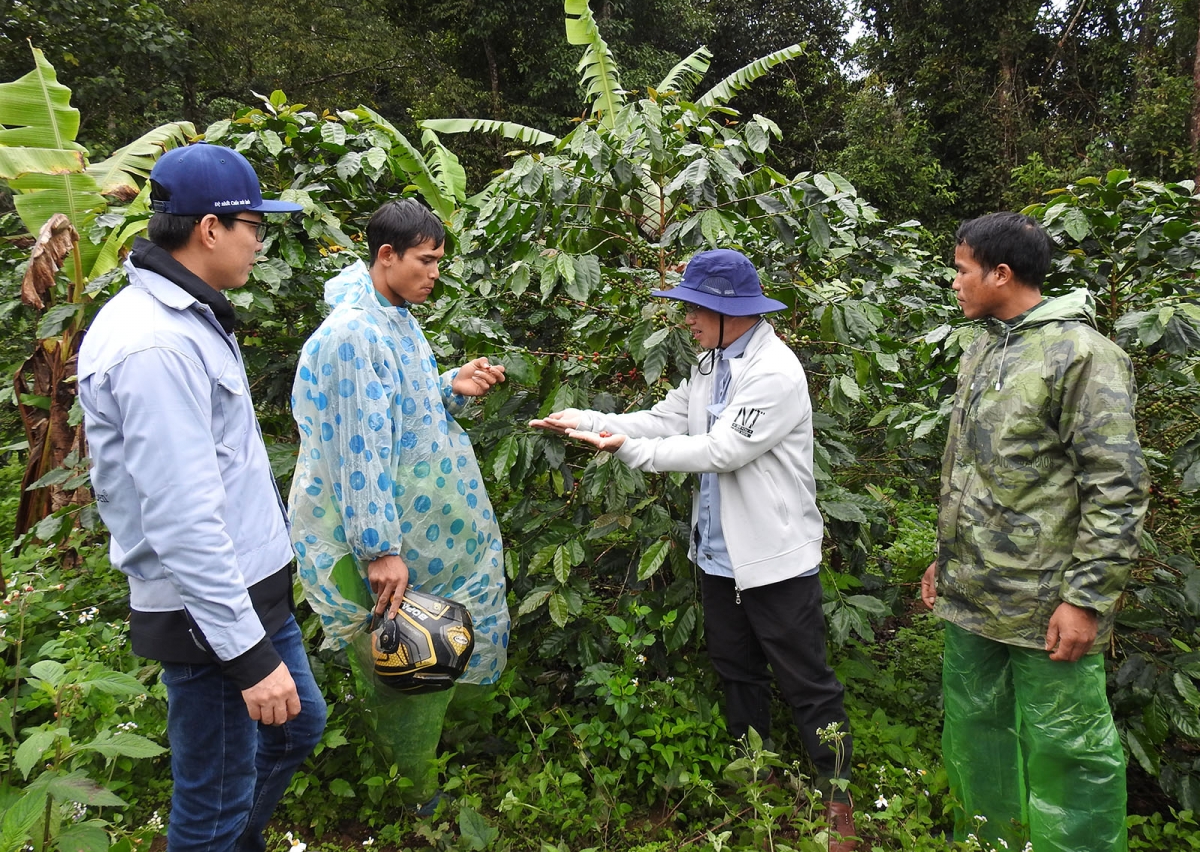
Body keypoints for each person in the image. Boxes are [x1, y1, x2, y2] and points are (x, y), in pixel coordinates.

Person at [530, 248, 857, 852]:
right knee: (736, 668)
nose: (687, 320)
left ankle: (837, 791)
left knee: (805, 676)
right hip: (718, 551)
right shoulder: (711, 363)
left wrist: (626, 451)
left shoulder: (775, 373)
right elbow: (667, 418)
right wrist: (592, 418)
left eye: (695, 308)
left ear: (732, 312)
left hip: (774, 554)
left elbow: (721, 450)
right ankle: (752, 773)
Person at [78, 143, 327, 852]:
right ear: (210, 228)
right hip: (211, 612)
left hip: (252, 593)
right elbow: (182, 518)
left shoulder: (189, 317)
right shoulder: (153, 345)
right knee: (212, 803)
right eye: (253, 223)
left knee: (297, 728)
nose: (259, 240)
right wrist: (246, 655)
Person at [920, 212, 1148, 852]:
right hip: (973, 592)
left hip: (1045, 600)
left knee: (1068, 749)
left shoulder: (1083, 357)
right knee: (974, 731)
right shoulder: (985, 345)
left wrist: (1086, 599)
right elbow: (970, 469)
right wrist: (947, 557)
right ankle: (988, 841)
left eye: (963, 270)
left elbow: (1116, 486)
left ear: (1001, 273)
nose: (956, 283)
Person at [287, 197, 510, 687]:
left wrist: (451, 385)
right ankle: (405, 760)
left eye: (438, 263)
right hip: (396, 533)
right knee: (406, 658)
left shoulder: (396, 317)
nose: (433, 274)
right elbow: (357, 449)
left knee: (438, 654)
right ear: (387, 254)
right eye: (425, 261)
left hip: (428, 520)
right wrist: (379, 549)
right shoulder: (353, 335)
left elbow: (402, 410)